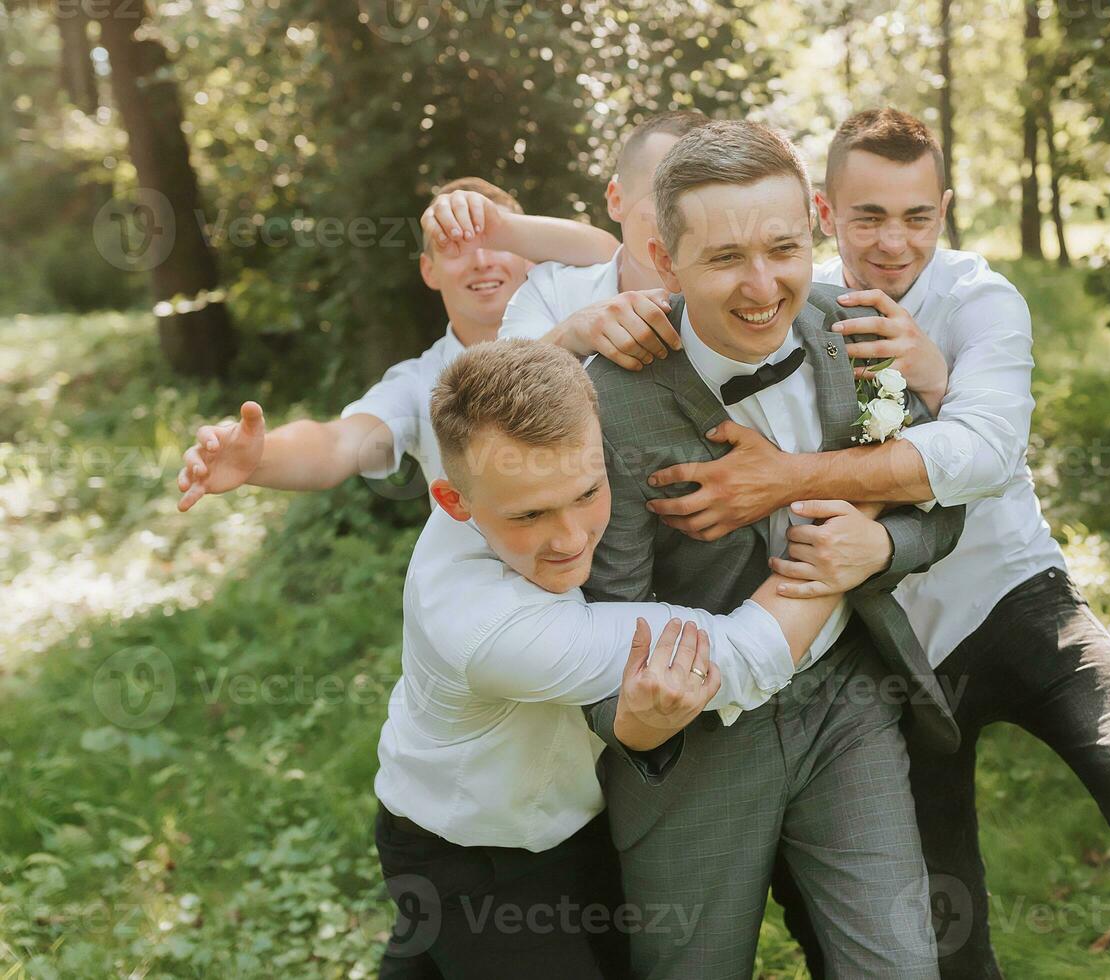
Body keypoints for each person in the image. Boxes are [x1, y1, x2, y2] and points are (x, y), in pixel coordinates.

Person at [648, 107, 1110, 979]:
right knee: (944, 892)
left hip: (1017, 599)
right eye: (869, 216)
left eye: (918, 216)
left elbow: (984, 452)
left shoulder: (981, 298)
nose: (894, 241)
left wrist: (857, 431)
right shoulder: (794, 303)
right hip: (895, 645)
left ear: (944, 210)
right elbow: (676, 303)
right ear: (828, 214)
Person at [578, 119, 966, 979]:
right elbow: (601, 623)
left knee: (901, 966)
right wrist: (629, 720)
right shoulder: (613, 405)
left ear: (815, 232)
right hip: (702, 737)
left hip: (847, 702)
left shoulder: (857, 333)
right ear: (662, 257)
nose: (763, 286)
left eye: (784, 248)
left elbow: (940, 501)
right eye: (723, 260)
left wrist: (883, 546)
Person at [374, 338, 884, 978]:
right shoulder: (489, 628)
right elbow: (740, 654)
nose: (570, 539)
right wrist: (855, 517)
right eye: (531, 515)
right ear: (454, 502)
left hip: (578, 826)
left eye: (587, 493)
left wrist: (592, 320)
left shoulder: (501, 473)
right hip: (473, 857)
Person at [174, 177, 618, 511]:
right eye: (456, 247)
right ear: (429, 271)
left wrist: (507, 226)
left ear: (528, 252)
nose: (481, 260)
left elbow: (612, 254)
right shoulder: (420, 381)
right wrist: (259, 458)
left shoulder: (578, 313)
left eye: (497, 242)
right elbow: (337, 443)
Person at [430, 111, 709, 369]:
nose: (691, 217)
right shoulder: (551, 293)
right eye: (666, 195)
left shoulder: (744, 298)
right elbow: (494, 406)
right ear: (616, 200)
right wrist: (569, 336)